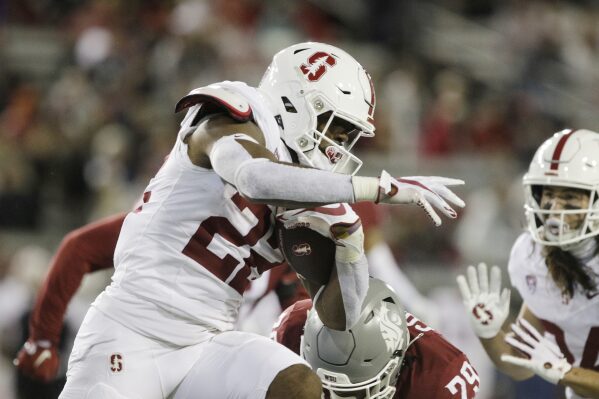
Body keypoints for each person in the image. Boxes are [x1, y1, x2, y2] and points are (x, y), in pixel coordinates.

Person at [52, 41, 464, 399]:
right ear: (298, 102)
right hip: (132, 327)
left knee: (298, 386)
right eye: (335, 130)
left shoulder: (306, 187)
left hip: (205, 341)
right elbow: (253, 177)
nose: (338, 148)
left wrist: (350, 242)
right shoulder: (234, 117)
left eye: (346, 138)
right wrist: (381, 189)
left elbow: (341, 317)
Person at [14, 213, 307, 384]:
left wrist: (42, 340)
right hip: (164, 358)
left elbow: (79, 247)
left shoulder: (295, 248)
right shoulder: (177, 214)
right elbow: (80, 248)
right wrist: (43, 338)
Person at [456, 129, 599, 399]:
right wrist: (489, 332)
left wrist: (565, 373)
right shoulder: (537, 258)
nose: (554, 209)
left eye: (569, 197)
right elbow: (520, 362)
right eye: (549, 195)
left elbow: (556, 370)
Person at [273, 277, 480, 398]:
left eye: (352, 394)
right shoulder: (291, 328)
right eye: (326, 390)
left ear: (398, 358)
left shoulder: (440, 376)